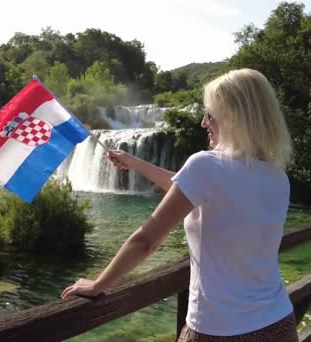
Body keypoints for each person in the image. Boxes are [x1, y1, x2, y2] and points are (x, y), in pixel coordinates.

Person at [61, 68, 298, 342]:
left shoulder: (206, 166)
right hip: (279, 322)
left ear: (233, 117)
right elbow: (189, 188)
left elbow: (146, 241)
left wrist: (98, 284)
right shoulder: (276, 176)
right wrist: (135, 163)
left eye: (209, 114)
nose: (202, 122)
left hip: (220, 330)